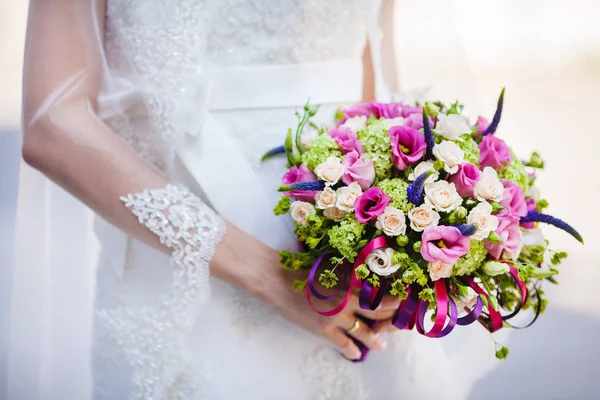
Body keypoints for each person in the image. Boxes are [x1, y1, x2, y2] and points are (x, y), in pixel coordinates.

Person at [12, 1, 496, 398]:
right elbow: (54, 123)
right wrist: (273, 275)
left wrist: (404, 247)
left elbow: (372, 93)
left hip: (348, 273)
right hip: (184, 279)